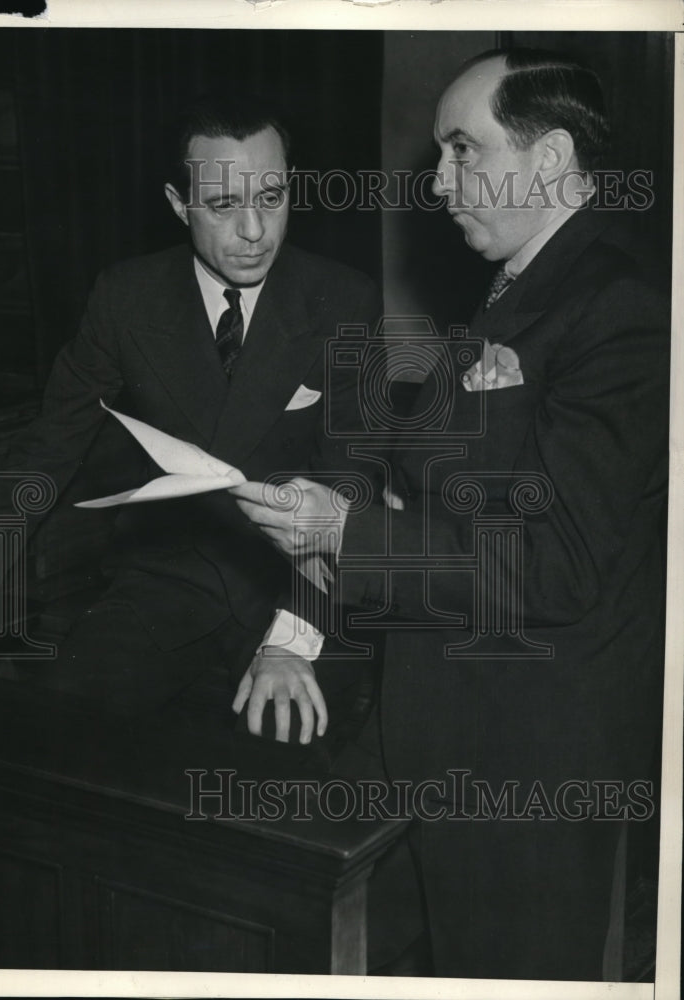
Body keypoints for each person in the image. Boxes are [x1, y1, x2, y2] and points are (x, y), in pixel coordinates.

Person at [232, 49, 669, 980]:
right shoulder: (515, 288)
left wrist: (344, 534)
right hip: (437, 724)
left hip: (525, 759)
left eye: (463, 151)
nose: (438, 183)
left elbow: (553, 570)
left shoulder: (620, 309)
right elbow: (454, 491)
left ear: (549, 159)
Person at [0, 95, 381, 724]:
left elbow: (350, 480)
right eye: (224, 205)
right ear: (179, 204)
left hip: (302, 585)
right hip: (168, 578)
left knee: (285, 769)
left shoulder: (345, 300)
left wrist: (291, 641)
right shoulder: (126, 298)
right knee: (62, 738)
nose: (255, 231)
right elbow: (46, 450)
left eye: (272, 198)